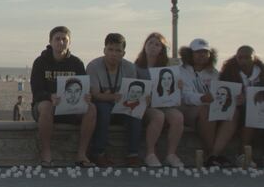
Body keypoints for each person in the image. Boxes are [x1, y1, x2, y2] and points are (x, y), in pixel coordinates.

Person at [30, 26, 96, 168]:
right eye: (57, 39)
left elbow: (83, 87)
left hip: (70, 107)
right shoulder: (40, 62)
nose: (61, 42)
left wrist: (86, 97)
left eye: (64, 39)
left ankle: (81, 154)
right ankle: (46, 154)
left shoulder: (77, 63)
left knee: (91, 108)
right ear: (50, 41)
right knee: (46, 106)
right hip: (46, 108)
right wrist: (50, 96)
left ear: (69, 42)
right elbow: (36, 92)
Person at [86, 33, 141, 167]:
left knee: (135, 111)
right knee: (103, 110)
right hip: (103, 104)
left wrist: (112, 95)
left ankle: (133, 154)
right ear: (104, 50)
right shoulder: (93, 66)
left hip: (122, 105)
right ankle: (98, 153)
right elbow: (96, 94)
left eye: (118, 50)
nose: (113, 54)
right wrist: (113, 96)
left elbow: (132, 94)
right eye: (110, 49)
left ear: (123, 53)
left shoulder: (130, 68)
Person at [134, 32, 185, 168]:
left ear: (162, 49)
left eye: (157, 45)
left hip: (164, 104)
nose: (153, 47)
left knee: (178, 117)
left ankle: (171, 154)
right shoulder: (136, 67)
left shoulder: (168, 68)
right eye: (150, 43)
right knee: (158, 116)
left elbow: (173, 93)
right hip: (145, 106)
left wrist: (178, 86)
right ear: (144, 46)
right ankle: (150, 153)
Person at [179, 38, 231, 167]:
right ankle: (212, 153)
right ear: (190, 53)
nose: (202, 55)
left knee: (233, 114)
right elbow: (185, 95)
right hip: (187, 108)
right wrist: (201, 98)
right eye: (198, 52)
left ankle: (213, 155)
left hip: (210, 109)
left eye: (205, 52)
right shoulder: (180, 70)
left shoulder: (214, 73)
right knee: (205, 110)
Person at [219, 45, 264, 167]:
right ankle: (243, 154)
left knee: (254, 113)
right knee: (248, 117)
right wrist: (237, 98)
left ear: (254, 58)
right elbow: (223, 93)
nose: (243, 60)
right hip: (238, 110)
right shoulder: (229, 73)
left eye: (247, 57)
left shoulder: (262, 74)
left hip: (260, 109)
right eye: (240, 57)